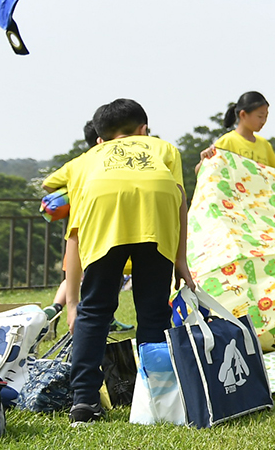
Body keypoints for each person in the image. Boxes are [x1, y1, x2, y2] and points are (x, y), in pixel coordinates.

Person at [55, 99, 195, 425]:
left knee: (96, 311)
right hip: (157, 215)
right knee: (153, 311)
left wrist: (73, 301)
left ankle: (84, 404)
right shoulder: (164, 149)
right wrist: (180, 258)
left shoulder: (86, 159)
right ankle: (157, 400)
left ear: (100, 139)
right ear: (143, 129)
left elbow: (73, 230)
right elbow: (180, 201)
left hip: (103, 211)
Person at [45, 118, 101, 332]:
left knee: (73, 276)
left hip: (76, 231)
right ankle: (95, 316)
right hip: (101, 230)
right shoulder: (103, 162)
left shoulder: (76, 163)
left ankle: (54, 309)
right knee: (107, 276)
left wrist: (67, 195)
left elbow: (47, 183)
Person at [203, 91, 275, 171]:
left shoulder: (264, 144)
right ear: (243, 114)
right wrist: (204, 158)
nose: (263, 121)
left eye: (266, 117)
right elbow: (206, 168)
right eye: (260, 116)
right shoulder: (227, 141)